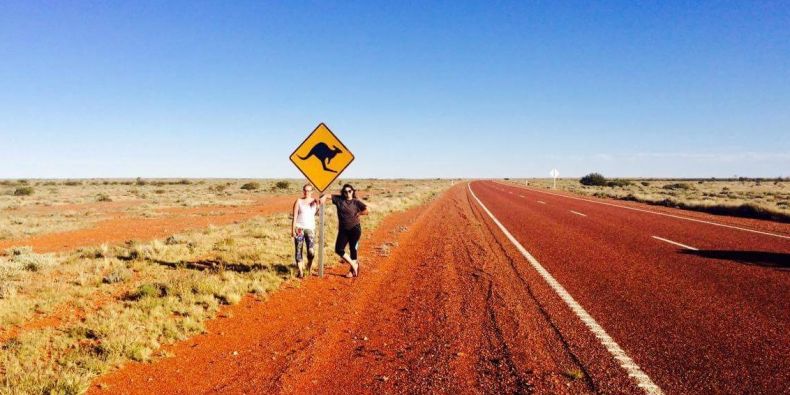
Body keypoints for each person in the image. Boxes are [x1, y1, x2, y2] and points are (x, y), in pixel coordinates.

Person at [320, 183, 368, 278]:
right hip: (343, 229)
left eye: (349, 191)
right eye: (345, 191)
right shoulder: (339, 200)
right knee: (338, 249)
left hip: (355, 228)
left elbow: (366, 210)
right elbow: (329, 196)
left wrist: (359, 213)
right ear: (343, 193)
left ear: (352, 191)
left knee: (353, 249)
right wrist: (324, 197)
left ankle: (352, 271)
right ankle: (354, 264)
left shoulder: (356, 202)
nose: (348, 193)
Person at [292, 183, 319, 278]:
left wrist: (319, 205)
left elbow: (318, 213)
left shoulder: (315, 201)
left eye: (308, 190)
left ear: (312, 191)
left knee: (311, 250)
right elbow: (294, 216)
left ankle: (309, 267)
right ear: (303, 191)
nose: (306, 192)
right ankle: (300, 272)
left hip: (310, 228)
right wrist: (292, 230)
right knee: (298, 249)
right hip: (299, 228)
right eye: (305, 190)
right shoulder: (298, 201)